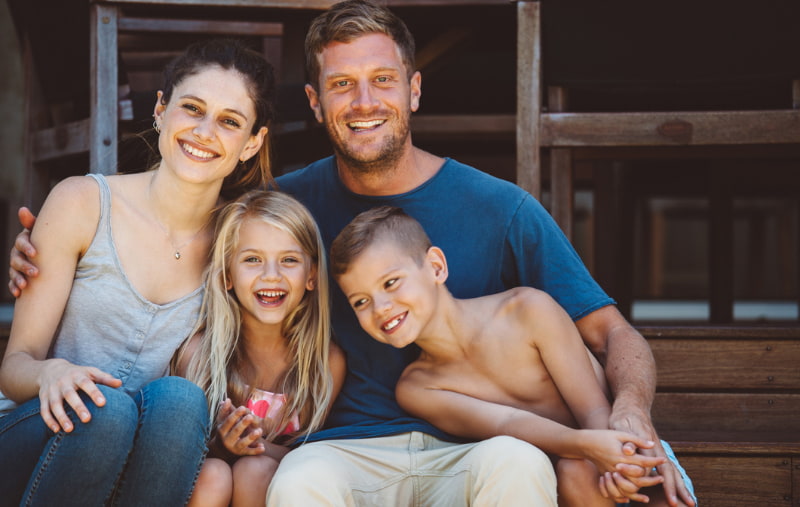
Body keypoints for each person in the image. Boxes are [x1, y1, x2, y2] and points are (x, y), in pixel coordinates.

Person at [8, 1, 696, 506]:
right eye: (341, 85)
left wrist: (631, 411)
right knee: (283, 477)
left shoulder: (502, 208)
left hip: (476, 447)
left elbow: (613, 334)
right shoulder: (278, 213)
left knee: (520, 465)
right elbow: (182, 238)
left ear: (414, 89)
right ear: (314, 101)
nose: (363, 102)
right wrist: (45, 250)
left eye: (382, 80)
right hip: (340, 452)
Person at [0, 38, 275, 506]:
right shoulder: (82, 203)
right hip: (37, 437)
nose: (205, 131)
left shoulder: (240, 242)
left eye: (229, 121)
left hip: (147, 463)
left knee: (182, 401)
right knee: (103, 413)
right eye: (192, 108)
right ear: (160, 110)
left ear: (252, 143)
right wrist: (51, 374)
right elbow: (14, 366)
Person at [331, 205, 677, 506]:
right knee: (573, 472)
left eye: (391, 283)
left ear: (436, 267)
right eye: (361, 301)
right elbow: (506, 424)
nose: (381, 308)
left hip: (624, 446)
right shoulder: (419, 388)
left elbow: (595, 409)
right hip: (559, 479)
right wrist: (588, 449)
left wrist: (620, 461)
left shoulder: (526, 311)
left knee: (583, 471)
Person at [175, 190, 346, 507]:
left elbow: (305, 457)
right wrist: (224, 446)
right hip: (208, 492)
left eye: (289, 260)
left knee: (257, 469)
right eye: (252, 259)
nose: (272, 275)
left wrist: (254, 447)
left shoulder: (323, 362)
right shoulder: (198, 355)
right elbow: (177, 460)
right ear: (227, 274)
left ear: (311, 275)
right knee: (212, 473)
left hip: (268, 489)